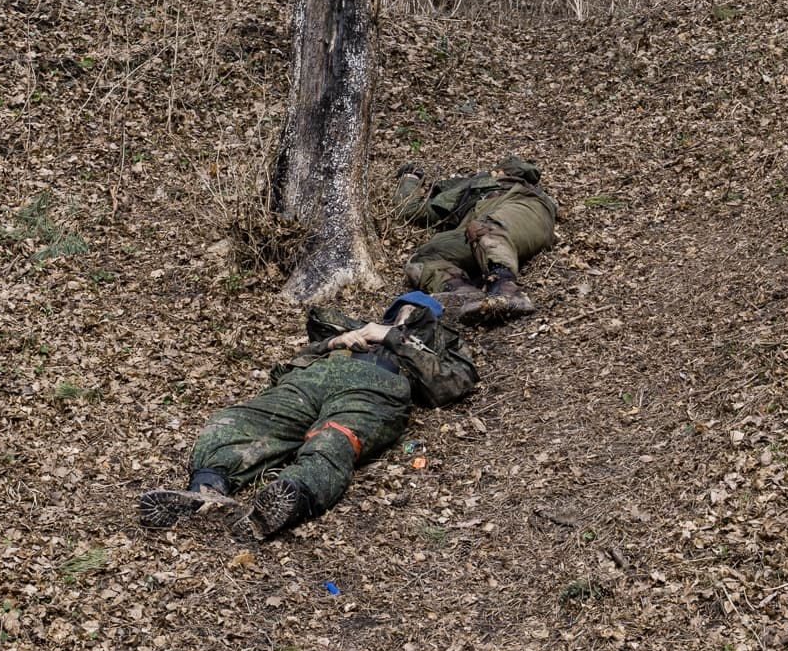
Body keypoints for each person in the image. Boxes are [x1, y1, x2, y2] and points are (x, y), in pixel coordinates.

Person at [137, 292, 478, 539]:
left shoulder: (443, 342)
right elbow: (291, 361)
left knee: (334, 440)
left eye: (416, 311)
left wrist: (392, 337)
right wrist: (337, 341)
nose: (408, 312)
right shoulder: (357, 328)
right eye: (402, 307)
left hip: (375, 391)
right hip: (311, 380)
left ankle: (289, 498)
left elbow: (453, 383)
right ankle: (206, 490)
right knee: (241, 421)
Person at [393, 155, 557, 321]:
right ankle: (464, 294)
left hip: (525, 212)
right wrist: (410, 178)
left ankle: (507, 290)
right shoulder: (466, 193)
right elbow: (410, 209)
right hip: (480, 232)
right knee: (422, 259)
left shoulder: (520, 190)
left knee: (482, 228)